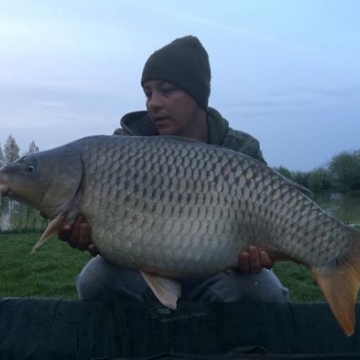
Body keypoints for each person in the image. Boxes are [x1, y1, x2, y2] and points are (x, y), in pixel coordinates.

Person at [59, 35, 289, 304]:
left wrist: (261, 257)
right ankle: (140, 343)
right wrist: (89, 234)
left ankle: (225, 346)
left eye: (166, 90)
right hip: (138, 267)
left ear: (197, 96)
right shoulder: (122, 147)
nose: (153, 102)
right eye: (148, 93)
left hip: (219, 270)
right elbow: (102, 232)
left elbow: (270, 238)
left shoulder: (239, 150)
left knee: (265, 294)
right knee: (95, 281)